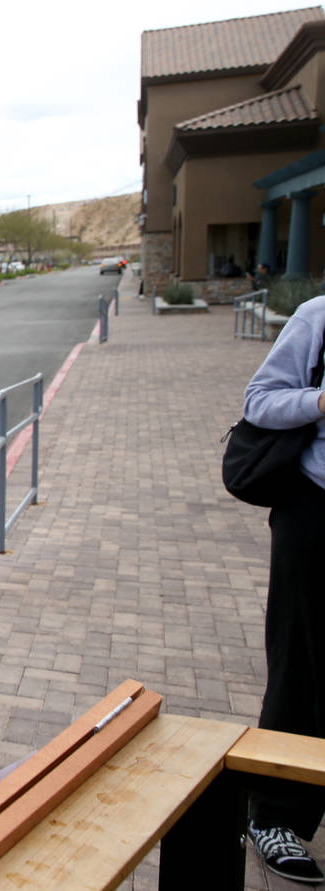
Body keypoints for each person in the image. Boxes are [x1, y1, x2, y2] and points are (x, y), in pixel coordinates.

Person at [242, 293, 325, 885]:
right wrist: (321, 401)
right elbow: (259, 401)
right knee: (301, 668)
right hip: (317, 515)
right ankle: (276, 817)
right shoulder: (319, 316)